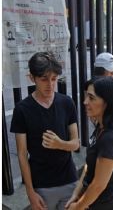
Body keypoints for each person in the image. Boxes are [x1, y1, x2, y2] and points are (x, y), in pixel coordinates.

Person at [10, 52, 79, 209]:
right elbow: (22, 154)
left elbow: (75, 144)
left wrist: (60, 144)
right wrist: (30, 192)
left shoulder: (66, 103)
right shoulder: (22, 109)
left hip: (69, 180)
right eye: (44, 79)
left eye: (54, 79)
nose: (50, 84)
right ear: (32, 78)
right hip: (41, 185)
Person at [65, 77, 113, 210]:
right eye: (86, 97)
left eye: (91, 98)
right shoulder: (101, 127)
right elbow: (89, 165)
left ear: (107, 102)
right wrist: (77, 193)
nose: (85, 102)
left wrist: (77, 207)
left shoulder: (110, 138)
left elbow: (98, 185)